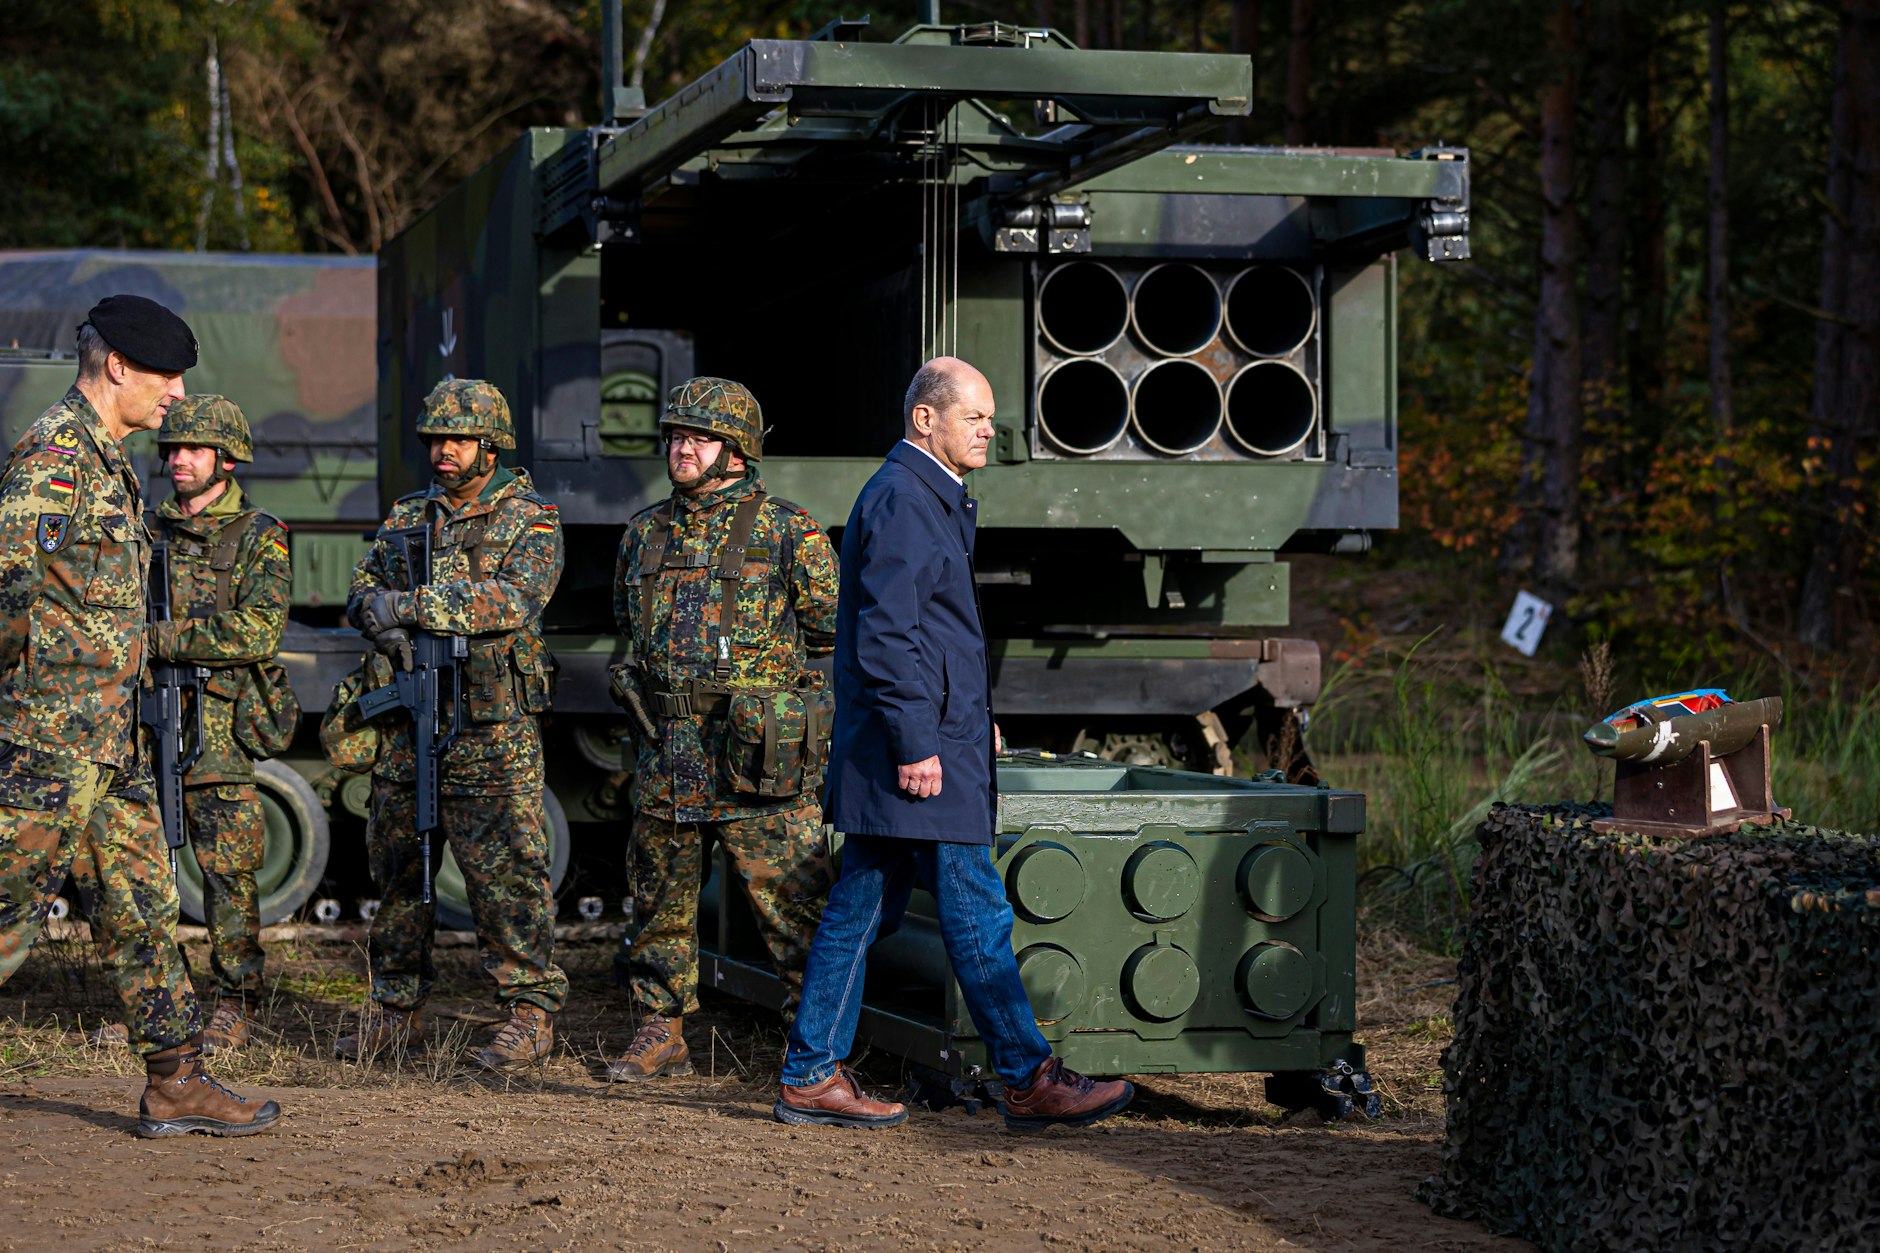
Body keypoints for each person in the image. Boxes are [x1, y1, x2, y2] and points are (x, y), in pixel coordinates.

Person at [774, 357, 1134, 1131]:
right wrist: (917, 742)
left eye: (990, 418)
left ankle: (810, 1072)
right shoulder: (906, 499)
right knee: (976, 912)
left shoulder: (923, 495)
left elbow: (931, 635)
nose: (988, 431)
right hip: (916, 761)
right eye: (974, 416)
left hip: (921, 747)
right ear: (924, 418)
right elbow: (887, 635)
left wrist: (970, 717)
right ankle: (1028, 1077)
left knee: (860, 910)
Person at [0, 295, 281, 1137]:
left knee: (143, 906)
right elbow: (7, 594)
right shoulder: (55, 457)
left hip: (107, 739)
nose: (178, 394)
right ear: (117, 366)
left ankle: (175, 1079)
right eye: (167, 376)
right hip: (51, 740)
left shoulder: (108, 461)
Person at [605, 377, 839, 1083]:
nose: (682, 448)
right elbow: (628, 626)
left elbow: (833, 630)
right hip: (668, 755)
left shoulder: (789, 530)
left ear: (738, 451)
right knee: (659, 904)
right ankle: (661, 1029)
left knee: (796, 907)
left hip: (756, 759)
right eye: (676, 435)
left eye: (700, 437)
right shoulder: (643, 533)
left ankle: (815, 1049)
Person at [336, 378, 567, 1073]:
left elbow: (511, 600)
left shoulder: (529, 518)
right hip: (409, 723)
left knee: (508, 879)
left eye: (459, 440)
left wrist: (405, 606)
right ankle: (395, 1010)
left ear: (491, 446)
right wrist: (377, 618)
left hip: (490, 732)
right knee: (399, 874)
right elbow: (362, 590)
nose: (444, 450)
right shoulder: (409, 514)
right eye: (436, 439)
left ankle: (529, 1013)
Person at [139, 395, 293, 1053]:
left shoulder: (259, 534)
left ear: (226, 458)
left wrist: (164, 639)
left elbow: (258, 630)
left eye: (194, 449)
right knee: (137, 872)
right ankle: (153, 1005)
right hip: (147, 721)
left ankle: (235, 1001)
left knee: (228, 875)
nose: (179, 459)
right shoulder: (144, 530)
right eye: (172, 448)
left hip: (219, 727)